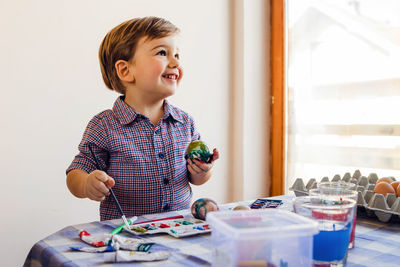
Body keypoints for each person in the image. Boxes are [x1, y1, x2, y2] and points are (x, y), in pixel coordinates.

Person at [66, 16, 219, 221]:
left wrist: (203, 170)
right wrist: (86, 184)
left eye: (177, 55)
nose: (175, 62)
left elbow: (196, 179)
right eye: (162, 53)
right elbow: (76, 171)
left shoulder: (185, 122)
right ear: (125, 70)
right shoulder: (104, 126)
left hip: (179, 230)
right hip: (128, 235)